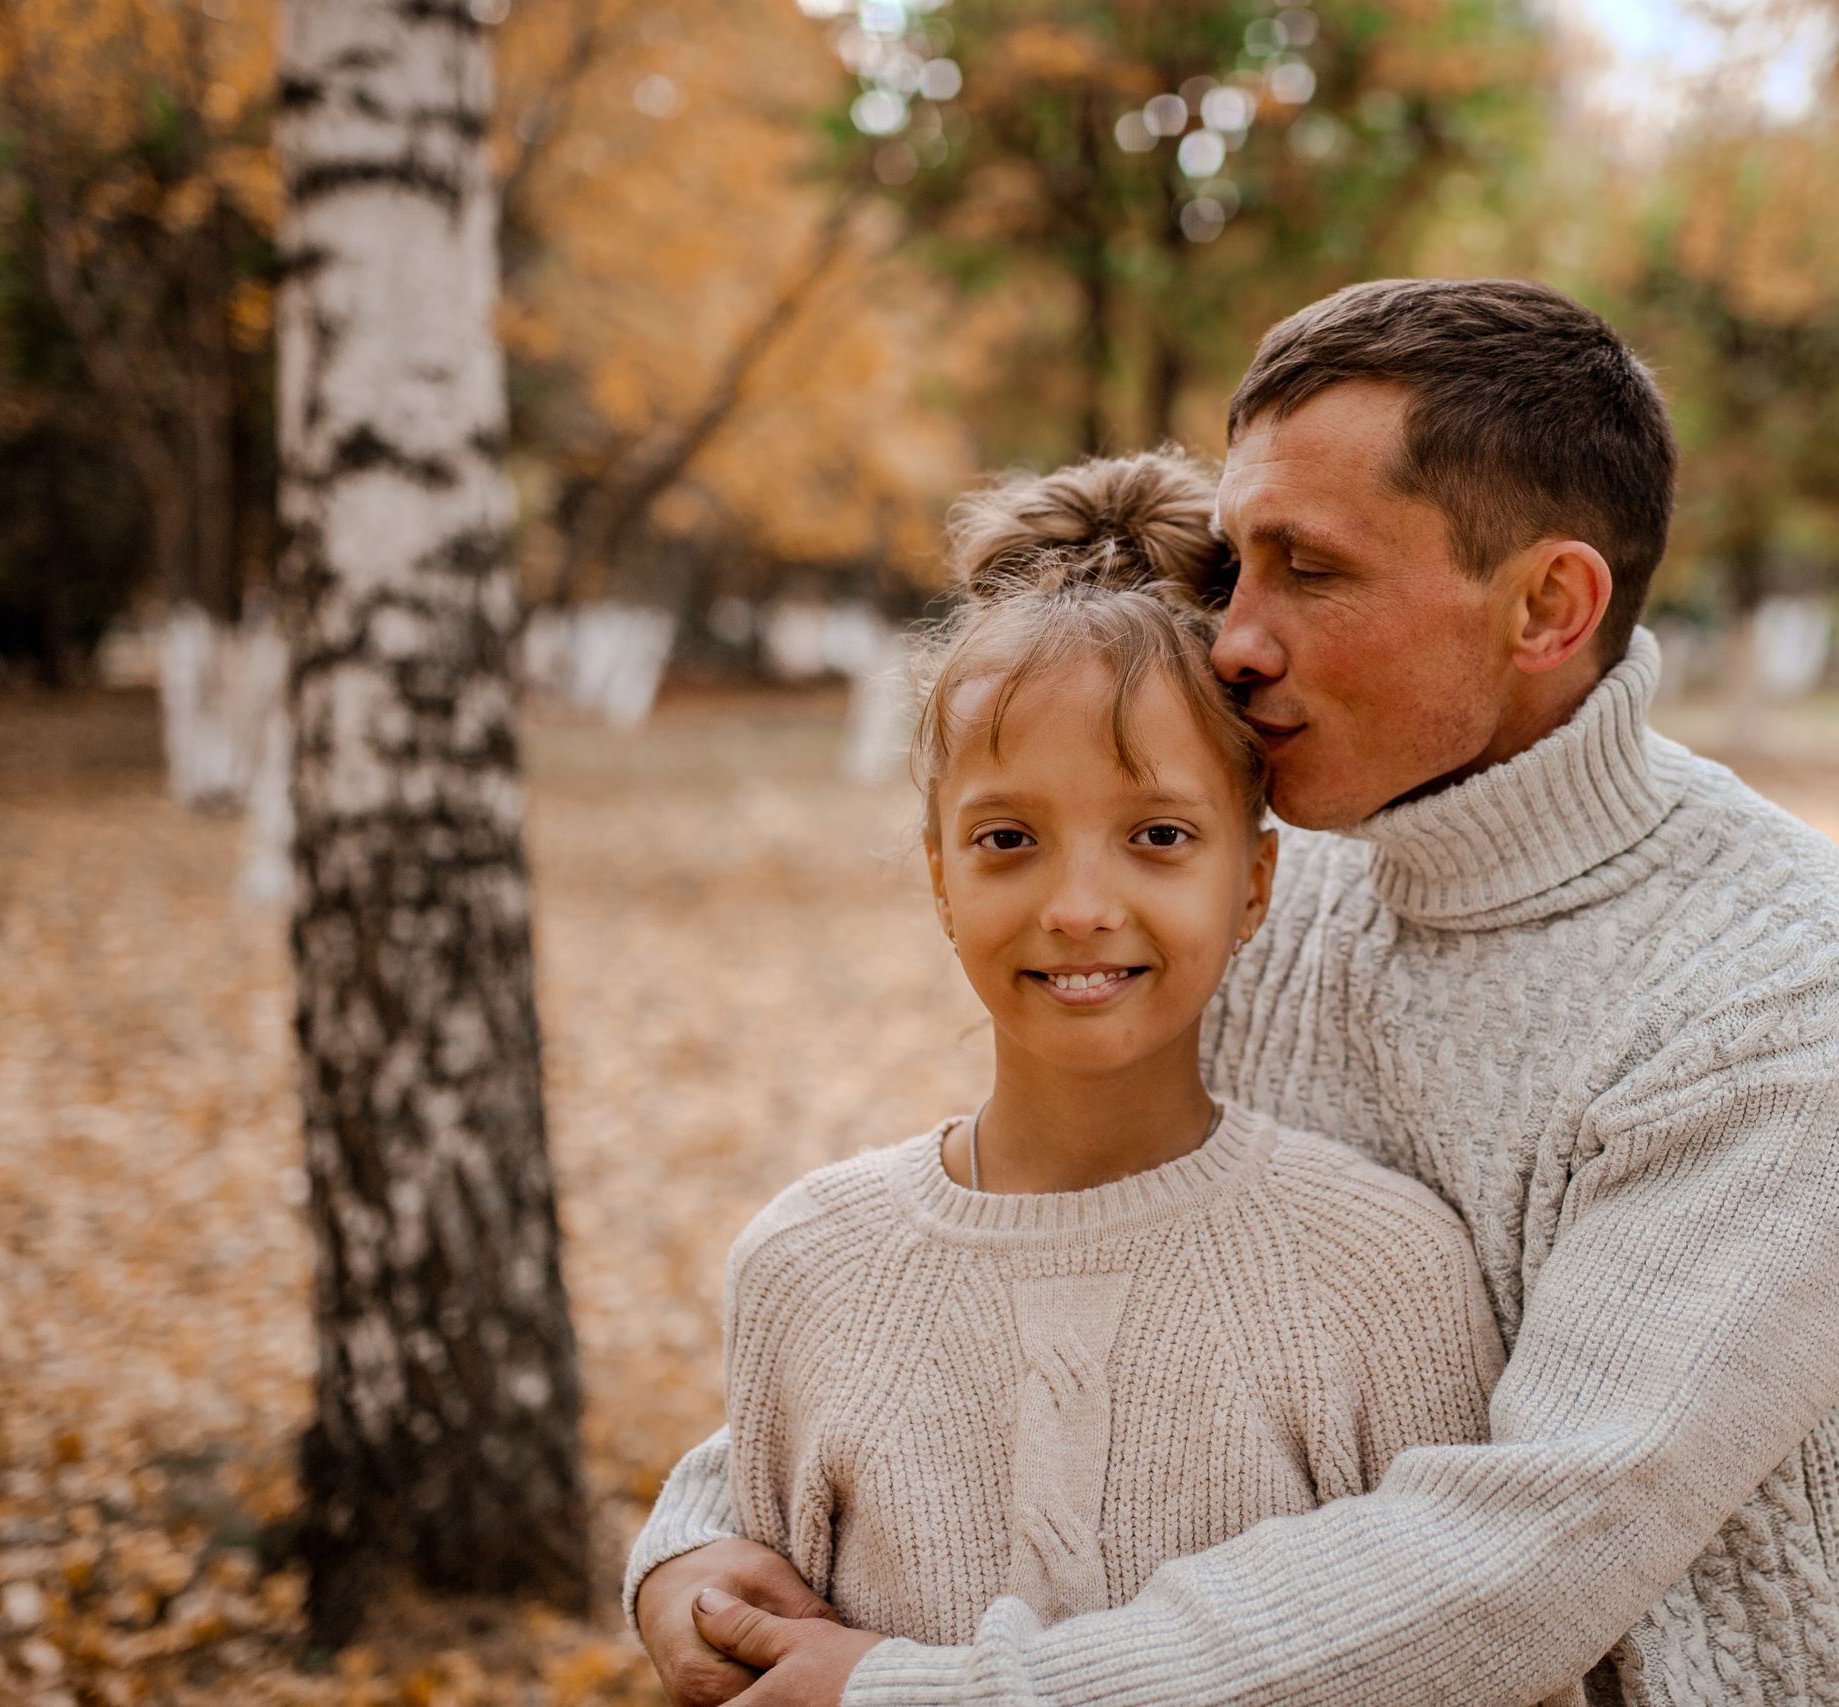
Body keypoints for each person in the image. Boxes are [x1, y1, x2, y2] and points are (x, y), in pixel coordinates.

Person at [635, 278, 1839, 1707]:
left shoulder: (1795, 999)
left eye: (1308, 571)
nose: (1234, 638)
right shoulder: (1293, 882)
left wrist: (924, 1693)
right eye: (1235, 566)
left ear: (1549, 605)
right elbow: (1018, 1243)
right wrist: (701, 1538)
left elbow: (1520, 1558)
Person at [673, 450, 1585, 1705]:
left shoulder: (1383, 1270)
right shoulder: (805, 1267)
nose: (1080, 908)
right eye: (1007, 840)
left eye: (1158, 836)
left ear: (1255, 883)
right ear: (939, 877)